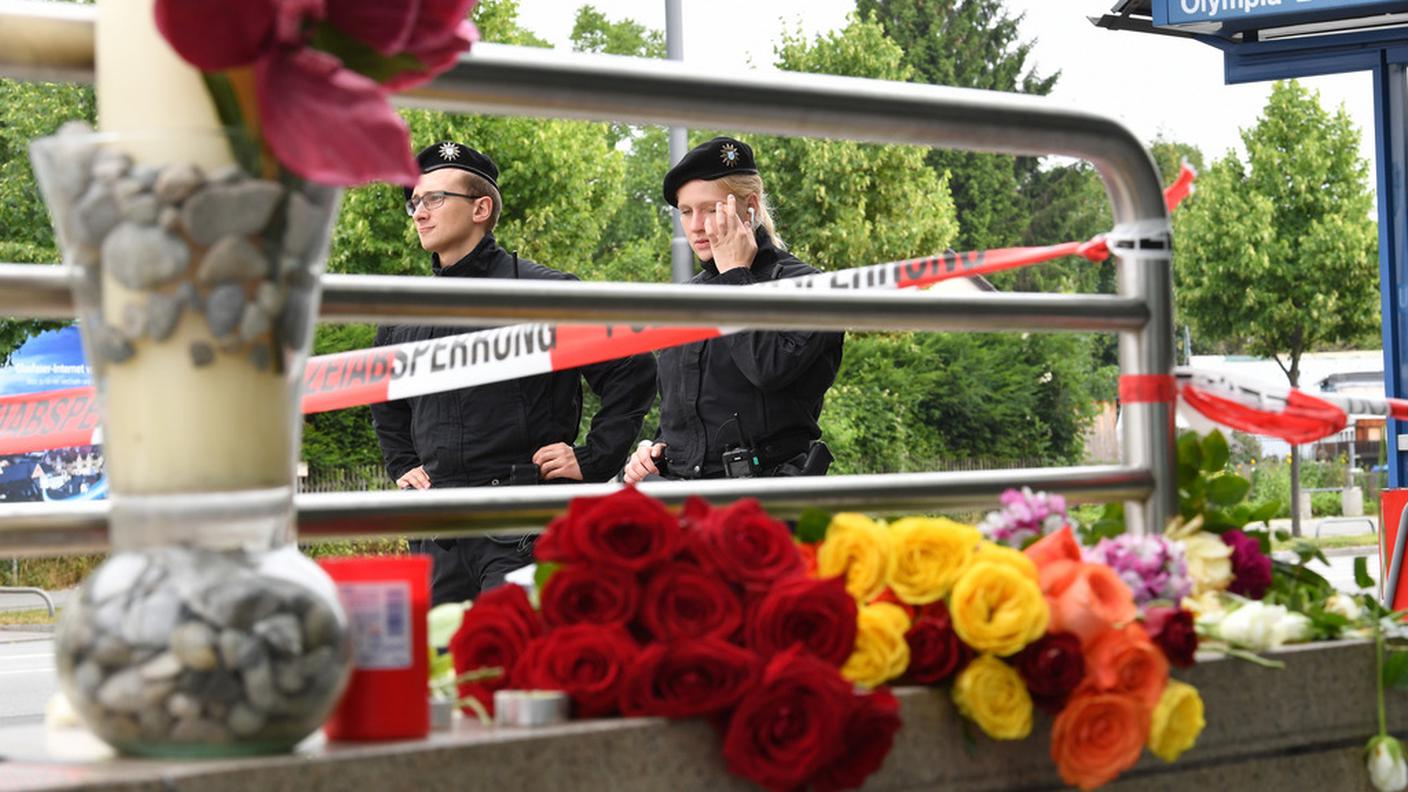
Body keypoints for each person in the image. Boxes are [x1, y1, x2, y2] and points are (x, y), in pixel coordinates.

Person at [372, 141, 656, 605]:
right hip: (438, 534)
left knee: (518, 666)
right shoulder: (403, 311)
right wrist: (403, 464)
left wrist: (594, 458)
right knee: (443, 668)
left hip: (522, 526)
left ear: (481, 207)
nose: (419, 213)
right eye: (415, 202)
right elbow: (382, 397)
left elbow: (633, 369)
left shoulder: (547, 294)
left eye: (435, 198)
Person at [624, 136, 843, 484]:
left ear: (750, 205)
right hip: (683, 504)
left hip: (764, 504)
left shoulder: (808, 285)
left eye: (710, 209)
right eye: (685, 211)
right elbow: (683, 415)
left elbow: (768, 369)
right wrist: (654, 449)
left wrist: (734, 276)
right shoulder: (686, 298)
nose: (696, 225)